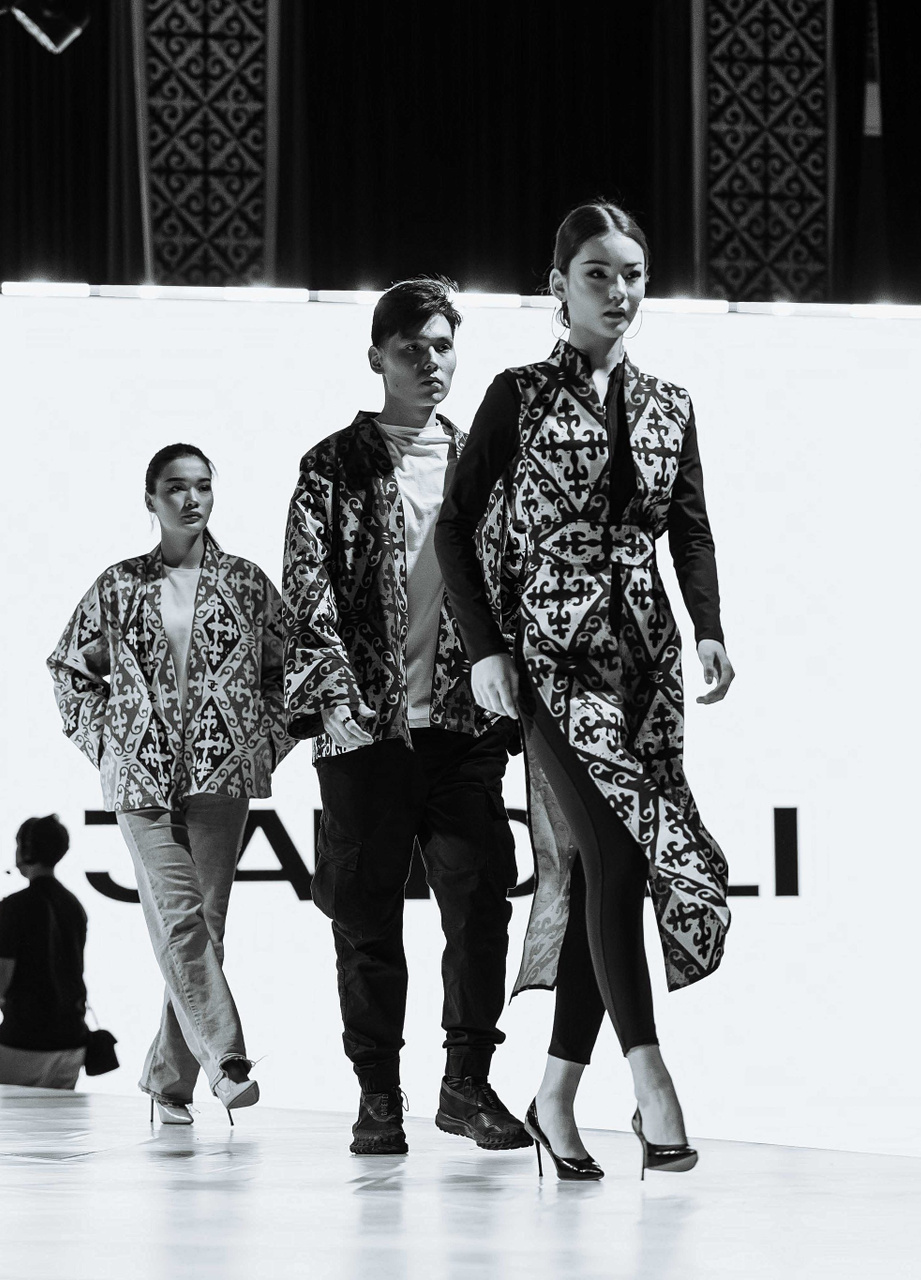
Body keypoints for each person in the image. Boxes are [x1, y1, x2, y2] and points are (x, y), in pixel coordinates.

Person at [436, 202, 736, 1181]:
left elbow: (690, 528)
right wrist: (485, 649)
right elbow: (453, 528)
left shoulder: (670, 404)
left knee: (623, 867)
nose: (619, 291)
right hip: (551, 654)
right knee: (610, 853)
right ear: (558, 286)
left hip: (645, 656)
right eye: (598, 273)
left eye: (633, 274)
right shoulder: (518, 394)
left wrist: (710, 629)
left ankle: (557, 1096)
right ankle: (653, 1082)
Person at [282, 278, 531, 1157]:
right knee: (366, 921)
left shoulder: (484, 465)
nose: (431, 363)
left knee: (481, 906)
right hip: (366, 730)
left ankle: (466, 1084)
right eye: (413, 348)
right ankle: (378, 1097)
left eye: (443, 347)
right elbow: (305, 592)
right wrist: (336, 698)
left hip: (465, 728)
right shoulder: (331, 465)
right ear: (378, 358)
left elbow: (515, 585)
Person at [49, 444, 294, 1124]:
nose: (192, 499)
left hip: (223, 775)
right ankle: (227, 1061)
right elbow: (69, 668)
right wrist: (106, 742)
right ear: (150, 499)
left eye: (203, 486)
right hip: (141, 779)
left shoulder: (245, 584)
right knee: (181, 919)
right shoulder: (118, 585)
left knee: (203, 927)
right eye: (176, 487)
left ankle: (166, 1078)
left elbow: (291, 671)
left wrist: (265, 739)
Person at [0, 815, 89, 1090]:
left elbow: (0, 984)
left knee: (2, 1115)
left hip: (23, 1039)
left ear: (25, 849)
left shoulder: (15, 905)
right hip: (71, 1039)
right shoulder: (73, 905)